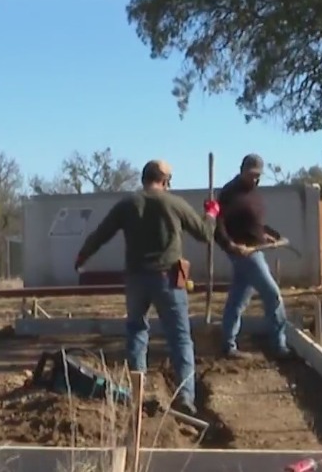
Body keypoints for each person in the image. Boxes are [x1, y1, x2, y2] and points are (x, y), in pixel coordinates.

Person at [73, 159, 219, 416]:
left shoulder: (128, 204)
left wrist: (83, 256)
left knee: (137, 330)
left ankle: (136, 393)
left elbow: (101, 234)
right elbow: (205, 234)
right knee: (180, 338)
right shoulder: (174, 204)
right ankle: (185, 396)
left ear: (143, 178)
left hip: (136, 279)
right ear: (165, 181)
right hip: (169, 279)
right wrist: (211, 214)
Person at [214, 154, 290, 359]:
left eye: (258, 176)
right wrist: (231, 245)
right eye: (252, 175)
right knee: (272, 294)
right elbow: (219, 226)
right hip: (244, 253)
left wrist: (266, 236)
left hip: (255, 249)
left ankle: (228, 344)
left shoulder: (254, 193)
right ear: (242, 170)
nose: (255, 180)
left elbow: (252, 223)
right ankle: (279, 344)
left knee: (237, 299)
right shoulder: (230, 193)